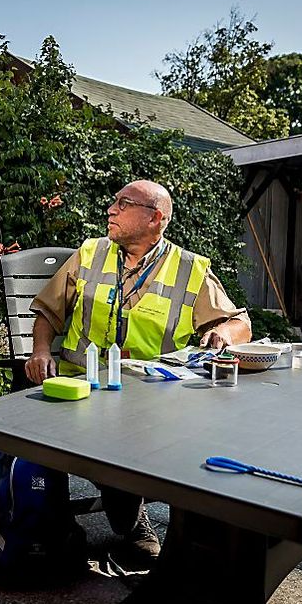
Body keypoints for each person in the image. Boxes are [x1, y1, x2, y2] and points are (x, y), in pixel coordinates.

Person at [24, 179, 251, 566]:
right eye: (114, 202)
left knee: (210, 442)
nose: (110, 210)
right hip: (81, 389)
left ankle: (170, 529)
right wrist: (41, 350)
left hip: (153, 399)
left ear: (155, 218)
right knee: (102, 441)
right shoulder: (90, 252)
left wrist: (221, 332)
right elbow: (48, 310)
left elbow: (238, 323)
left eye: (122, 204)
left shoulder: (189, 269)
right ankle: (96, 522)